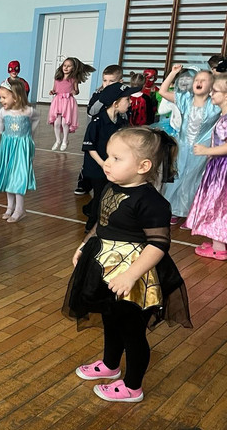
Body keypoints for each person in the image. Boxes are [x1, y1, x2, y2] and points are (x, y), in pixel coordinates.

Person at [64, 126, 191, 402]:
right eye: (108, 156)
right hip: (105, 265)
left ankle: (133, 386)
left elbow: (158, 244)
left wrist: (131, 275)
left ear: (143, 166)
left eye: (116, 158)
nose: (107, 163)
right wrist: (84, 245)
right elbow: (102, 222)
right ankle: (111, 365)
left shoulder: (152, 202)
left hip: (135, 276)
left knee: (132, 332)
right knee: (111, 319)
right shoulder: (110, 187)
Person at [158, 65, 220, 224]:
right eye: (197, 80)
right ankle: (171, 209)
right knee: (176, 176)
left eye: (204, 80)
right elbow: (162, 92)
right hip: (182, 145)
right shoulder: (185, 99)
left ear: (211, 86)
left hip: (201, 148)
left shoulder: (214, 105)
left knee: (193, 179)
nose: (199, 82)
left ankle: (189, 212)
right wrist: (173, 73)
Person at [182, 72, 227, 260]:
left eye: (215, 91)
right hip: (218, 166)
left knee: (218, 204)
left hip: (222, 170)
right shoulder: (223, 116)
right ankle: (218, 241)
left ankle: (219, 247)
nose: (211, 94)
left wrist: (207, 150)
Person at [80, 83, 134, 232]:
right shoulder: (97, 122)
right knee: (100, 195)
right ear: (116, 104)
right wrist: (103, 164)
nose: (130, 103)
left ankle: (93, 211)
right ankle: (91, 227)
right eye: (127, 100)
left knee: (109, 193)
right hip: (97, 168)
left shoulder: (122, 121)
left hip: (112, 166)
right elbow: (89, 146)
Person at [0, 77, 39, 223]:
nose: (1, 100)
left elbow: (37, 118)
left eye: (4, 97)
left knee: (18, 177)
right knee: (8, 176)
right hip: (7, 146)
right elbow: (0, 125)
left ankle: (20, 209)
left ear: (16, 97)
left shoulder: (28, 111)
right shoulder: (3, 112)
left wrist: (30, 135)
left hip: (21, 147)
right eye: (0, 97)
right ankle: (9, 207)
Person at [74, 65, 123, 195]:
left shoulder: (122, 97)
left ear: (120, 82)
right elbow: (91, 111)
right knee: (90, 161)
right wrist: (103, 99)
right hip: (96, 132)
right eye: (105, 80)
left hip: (112, 133)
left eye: (111, 81)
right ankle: (83, 183)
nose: (107, 84)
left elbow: (123, 113)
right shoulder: (98, 94)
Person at [48, 57, 95, 151]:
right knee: (57, 123)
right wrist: (52, 91)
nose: (66, 68)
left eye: (69, 66)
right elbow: (55, 89)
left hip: (67, 101)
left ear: (73, 68)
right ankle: (58, 140)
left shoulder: (73, 79)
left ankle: (65, 140)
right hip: (58, 101)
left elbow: (77, 90)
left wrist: (75, 91)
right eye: (64, 65)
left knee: (65, 122)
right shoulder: (57, 78)